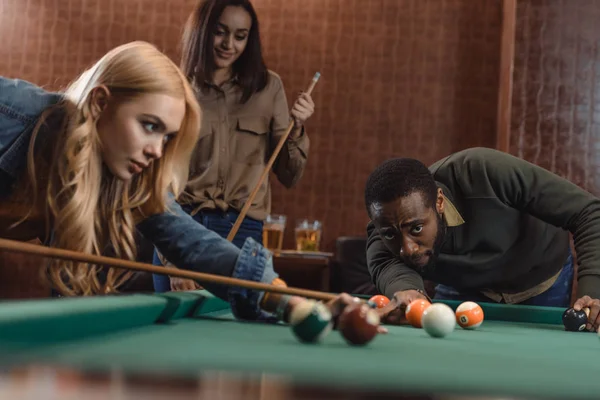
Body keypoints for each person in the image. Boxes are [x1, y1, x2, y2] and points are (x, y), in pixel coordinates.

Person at [0, 41, 356, 326]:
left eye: (167, 137)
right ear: (100, 103)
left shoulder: (130, 177)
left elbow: (195, 244)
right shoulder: (12, 112)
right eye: (149, 126)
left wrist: (289, 300)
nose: (157, 150)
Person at [151, 0, 315, 293]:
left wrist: (298, 128)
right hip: (183, 227)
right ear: (202, 31)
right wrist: (172, 260)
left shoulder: (268, 88)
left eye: (240, 36)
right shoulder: (175, 89)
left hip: (245, 231)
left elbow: (290, 175)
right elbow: (156, 179)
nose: (229, 44)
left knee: (239, 333)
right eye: (220, 32)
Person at [364, 147, 600, 331]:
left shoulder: (485, 171)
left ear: (439, 202)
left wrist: (593, 292)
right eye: (390, 234)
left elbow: (588, 213)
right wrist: (407, 291)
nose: (407, 249)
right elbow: (387, 263)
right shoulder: (386, 229)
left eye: (416, 228)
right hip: (466, 288)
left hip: (539, 276)